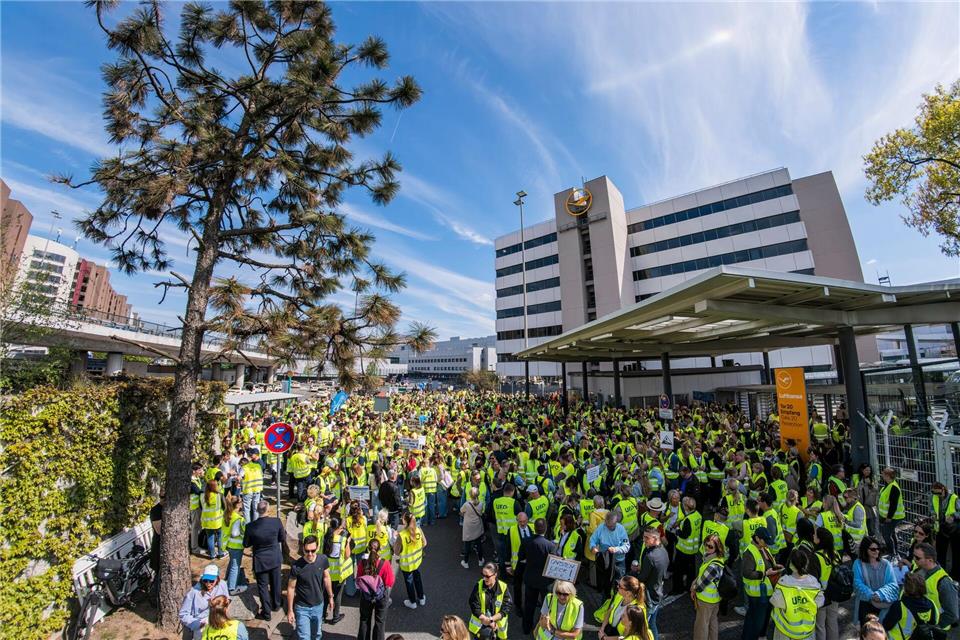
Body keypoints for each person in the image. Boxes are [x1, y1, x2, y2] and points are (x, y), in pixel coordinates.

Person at [243, 500, 285, 620]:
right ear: (268, 509)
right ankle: (276, 605)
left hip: (261, 560)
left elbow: (246, 543)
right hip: (275, 557)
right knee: (276, 583)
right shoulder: (276, 522)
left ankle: (266, 613)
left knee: (262, 587)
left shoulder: (250, 526)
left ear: (257, 510)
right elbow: (282, 537)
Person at [287, 534, 334, 640]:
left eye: (313, 550)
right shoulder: (296, 566)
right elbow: (291, 588)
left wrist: (331, 597)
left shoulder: (323, 560)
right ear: (303, 548)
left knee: (317, 635)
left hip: (318, 606)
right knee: (304, 637)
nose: (310, 554)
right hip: (302, 608)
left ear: (317, 547)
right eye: (307, 551)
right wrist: (290, 610)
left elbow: (326, 578)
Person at [770, 548, 824, 640]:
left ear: (791, 565)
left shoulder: (784, 583)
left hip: (785, 631)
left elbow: (774, 601)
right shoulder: (814, 583)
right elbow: (820, 602)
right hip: (807, 632)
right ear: (806, 563)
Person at [520, 518, 559, 635]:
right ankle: (543, 629)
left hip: (530, 578)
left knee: (529, 605)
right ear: (545, 529)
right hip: (545, 581)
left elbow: (521, 557)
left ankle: (526, 628)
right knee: (546, 606)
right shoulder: (550, 545)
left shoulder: (526, 541)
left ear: (534, 528)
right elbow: (554, 564)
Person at [741, 527, 780, 640]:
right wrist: (765, 574)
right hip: (757, 594)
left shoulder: (763, 548)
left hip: (765, 593)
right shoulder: (749, 552)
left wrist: (776, 567)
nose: (767, 544)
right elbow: (747, 573)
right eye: (765, 541)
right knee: (755, 622)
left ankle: (761, 636)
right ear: (757, 538)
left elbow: (768, 563)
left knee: (763, 619)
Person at [913, 542, 959, 629]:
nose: (914, 559)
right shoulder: (918, 567)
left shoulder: (944, 583)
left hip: (933, 628)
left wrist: (933, 627)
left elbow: (952, 614)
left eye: (917, 558)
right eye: (914, 556)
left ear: (930, 560)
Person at [633, 525, 669, 640]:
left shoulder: (650, 557)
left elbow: (642, 578)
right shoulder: (663, 551)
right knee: (652, 623)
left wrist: (637, 572)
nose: (644, 540)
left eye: (647, 538)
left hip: (649, 596)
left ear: (655, 539)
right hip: (658, 592)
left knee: (643, 626)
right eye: (644, 537)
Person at [853, 535, 899, 625]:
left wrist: (880, 594)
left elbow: (893, 584)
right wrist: (871, 595)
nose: (877, 551)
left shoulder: (886, 564)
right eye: (873, 549)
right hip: (866, 604)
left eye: (878, 548)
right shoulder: (858, 564)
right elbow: (857, 583)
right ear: (865, 550)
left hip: (883, 603)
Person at [883, 572, 940, 640]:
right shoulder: (931, 604)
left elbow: (886, 626)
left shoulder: (899, 606)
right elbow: (934, 623)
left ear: (906, 589)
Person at [179, 564, 230, 639]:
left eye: (211, 581)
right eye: (205, 580)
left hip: (219, 621)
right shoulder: (194, 592)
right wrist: (198, 624)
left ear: (217, 578)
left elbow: (227, 600)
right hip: (201, 625)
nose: (208, 584)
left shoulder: (222, 584)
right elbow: (183, 614)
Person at [357, 538, 395, 640]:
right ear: (380, 550)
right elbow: (389, 582)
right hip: (381, 596)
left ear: (368, 549)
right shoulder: (385, 563)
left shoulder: (362, 563)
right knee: (380, 621)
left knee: (364, 620)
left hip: (366, 596)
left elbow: (358, 579)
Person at [691, 533, 725, 640]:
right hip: (715, 599)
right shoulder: (715, 559)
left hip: (706, 601)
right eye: (706, 544)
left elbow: (701, 585)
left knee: (701, 626)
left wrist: (693, 588)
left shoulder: (713, 565)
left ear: (717, 548)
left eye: (710, 546)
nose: (707, 548)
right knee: (712, 623)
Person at [468, 562, 513, 640]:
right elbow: (474, 604)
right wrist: (485, 619)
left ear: (495, 575)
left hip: (498, 629)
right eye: (483, 575)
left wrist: (492, 619)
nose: (484, 578)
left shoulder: (503, 587)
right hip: (481, 627)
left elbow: (507, 607)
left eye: (487, 576)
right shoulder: (479, 586)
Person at [590, 510, 630, 595]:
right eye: (607, 526)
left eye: (611, 526)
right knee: (605, 585)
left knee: (619, 585)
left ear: (616, 522)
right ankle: (605, 601)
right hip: (605, 562)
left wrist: (616, 549)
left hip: (618, 562)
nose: (609, 528)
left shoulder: (621, 529)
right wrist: (593, 547)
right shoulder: (601, 527)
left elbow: (627, 547)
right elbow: (593, 539)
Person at [394, 510, 427, 610]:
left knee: (409, 582)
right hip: (417, 562)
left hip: (406, 564)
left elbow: (396, 552)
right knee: (417, 578)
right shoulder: (418, 530)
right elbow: (424, 543)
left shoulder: (402, 535)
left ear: (405, 521)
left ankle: (412, 602)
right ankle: (421, 598)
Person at [598, 576, 646, 640]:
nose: (617, 587)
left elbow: (625, 636)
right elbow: (609, 611)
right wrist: (602, 629)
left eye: (620, 586)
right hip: (609, 630)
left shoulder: (636, 609)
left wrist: (605, 638)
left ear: (628, 593)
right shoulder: (619, 595)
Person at [324, 516, 352, 624]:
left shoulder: (326, 537)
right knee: (337, 595)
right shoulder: (342, 539)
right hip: (338, 573)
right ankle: (336, 616)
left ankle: (322, 615)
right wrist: (348, 542)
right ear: (339, 527)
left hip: (327, 572)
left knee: (326, 594)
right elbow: (347, 555)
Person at [814, 527, 841, 640]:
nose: (813, 537)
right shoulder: (836, 554)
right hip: (835, 594)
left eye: (815, 536)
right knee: (832, 621)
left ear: (819, 540)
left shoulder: (816, 556)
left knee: (820, 625)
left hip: (822, 596)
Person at [221, 494, 248, 595]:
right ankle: (231, 588)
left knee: (232, 563)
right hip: (236, 546)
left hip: (228, 544)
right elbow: (235, 533)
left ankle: (227, 579)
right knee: (235, 566)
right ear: (238, 505)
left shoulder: (227, 514)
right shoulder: (238, 518)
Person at [879, 468, 905, 555]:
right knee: (891, 534)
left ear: (887, 476)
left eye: (883, 474)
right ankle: (895, 552)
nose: (882, 476)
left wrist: (889, 517)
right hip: (889, 516)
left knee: (887, 535)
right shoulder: (887, 485)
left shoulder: (893, 487)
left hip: (893, 517)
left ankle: (892, 553)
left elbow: (893, 505)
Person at [201, 478, 226, 559]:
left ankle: (212, 555)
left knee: (210, 537)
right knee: (219, 537)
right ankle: (221, 553)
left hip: (207, 521)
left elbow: (202, 507)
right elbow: (224, 507)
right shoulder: (220, 495)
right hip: (218, 521)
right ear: (216, 486)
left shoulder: (202, 496)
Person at [461, 487, 486, 569]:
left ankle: (466, 561)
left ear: (470, 495)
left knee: (467, 544)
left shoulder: (466, 504)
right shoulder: (481, 503)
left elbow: (461, 512)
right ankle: (480, 560)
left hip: (468, 527)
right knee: (478, 544)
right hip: (477, 525)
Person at [240, 448, 264, 523]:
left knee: (247, 509)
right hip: (257, 489)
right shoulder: (258, 466)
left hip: (248, 490)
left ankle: (248, 526)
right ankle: (255, 525)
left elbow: (239, 477)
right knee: (256, 508)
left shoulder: (244, 467)